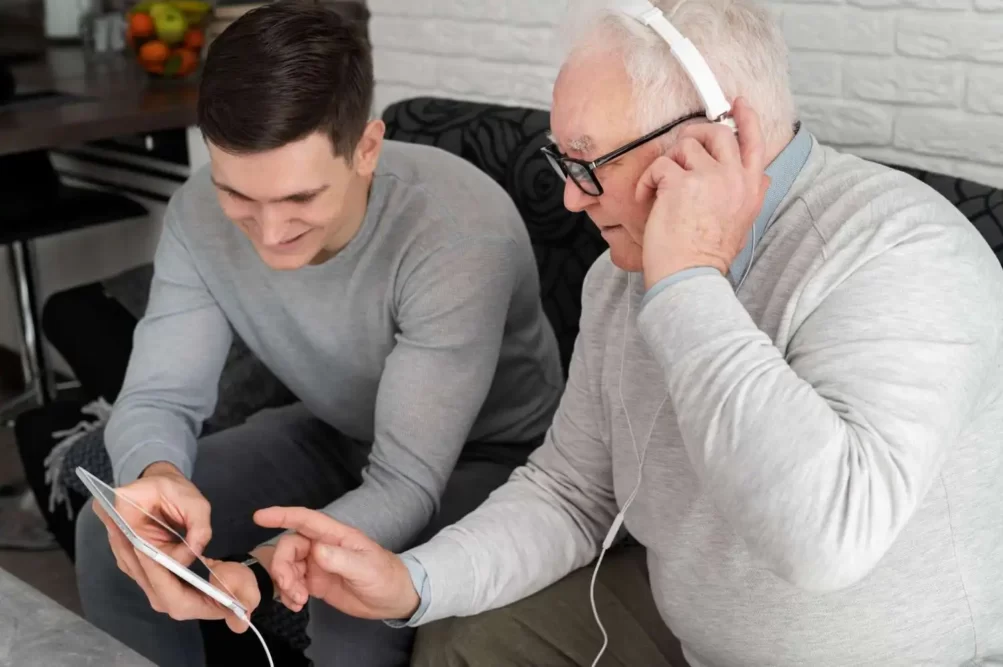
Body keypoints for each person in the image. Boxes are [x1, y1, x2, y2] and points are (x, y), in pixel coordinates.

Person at [243, 0, 1003, 665]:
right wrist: (414, 581)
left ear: (718, 140)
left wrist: (686, 282)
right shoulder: (622, 270)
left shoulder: (902, 252)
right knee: (461, 638)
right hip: (693, 627)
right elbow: (574, 490)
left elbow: (825, 538)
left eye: (588, 163)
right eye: (562, 161)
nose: (571, 200)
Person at [73, 3, 564, 667]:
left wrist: (264, 567)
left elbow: (406, 481)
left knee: (348, 610)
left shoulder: (457, 231)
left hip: (493, 459)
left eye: (299, 200)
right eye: (239, 197)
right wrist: (155, 476)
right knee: (111, 540)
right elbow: (159, 393)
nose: (269, 234)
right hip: (337, 428)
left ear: (365, 147)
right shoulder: (196, 212)